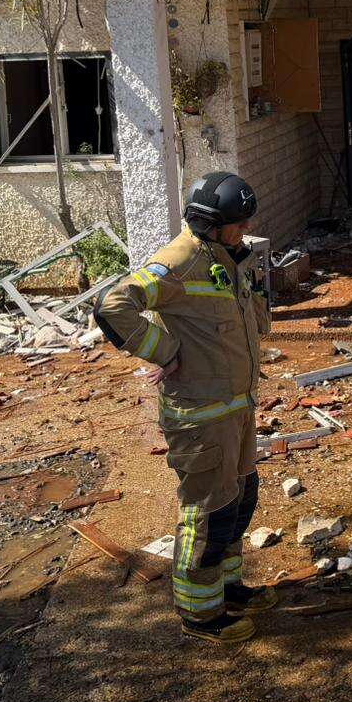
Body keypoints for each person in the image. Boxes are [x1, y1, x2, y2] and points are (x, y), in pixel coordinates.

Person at [94, 172, 275, 644]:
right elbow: (113, 305)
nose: (246, 230)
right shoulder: (180, 261)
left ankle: (229, 588)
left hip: (236, 408)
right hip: (200, 417)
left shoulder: (228, 257)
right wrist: (165, 351)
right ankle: (200, 613)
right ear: (210, 223)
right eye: (239, 223)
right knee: (209, 514)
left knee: (239, 501)